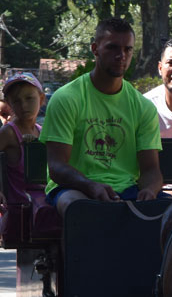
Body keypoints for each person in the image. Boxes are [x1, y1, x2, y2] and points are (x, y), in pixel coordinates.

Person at [41, 17, 163, 217]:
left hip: (128, 191)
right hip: (73, 189)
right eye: (113, 48)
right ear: (95, 49)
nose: (121, 55)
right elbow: (57, 166)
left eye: (128, 49)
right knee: (78, 207)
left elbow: (151, 170)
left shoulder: (143, 107)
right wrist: (90, 186)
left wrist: (150, 190)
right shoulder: (66, 98)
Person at [0, 72, 44, 212]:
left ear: (41, 99)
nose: (24, 105)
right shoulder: (8, 132)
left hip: (43, 205)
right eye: (16, 101)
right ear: (10, 104)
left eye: (29, 98)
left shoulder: (41, 131)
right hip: (18, 211)